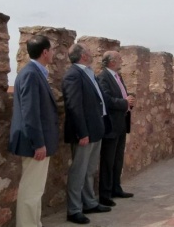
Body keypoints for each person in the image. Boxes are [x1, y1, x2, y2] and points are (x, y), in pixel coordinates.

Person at [8, 35, 59, 227]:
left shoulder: (35, 72)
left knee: (35, 190)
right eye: (52, 49)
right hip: (34, 143)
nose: (54, 53)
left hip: (37, 142)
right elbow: (30, 113)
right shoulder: (31, 74)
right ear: (45, 52)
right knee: (31, 191)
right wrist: (39, 143)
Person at [63, 44, 112, 225]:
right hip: (84, 133)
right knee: (79, 171)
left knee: (90, 169)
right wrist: (81, 132)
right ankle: (74, 209)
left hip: (95, 129)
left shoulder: (89, 73)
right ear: (83, 56)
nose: (92, 54)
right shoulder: (73, 75)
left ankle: (90, 202)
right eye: (89, 52)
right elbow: (74, 106)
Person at [97, 51, 135, 207]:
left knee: (118, 159)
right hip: (111, 125)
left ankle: (116, 188)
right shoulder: (103, 77)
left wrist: (129, 100)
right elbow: (106, 100)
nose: (122, 60)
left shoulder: (117, 76)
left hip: (121, 124)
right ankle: (105, 194)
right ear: (111, 61)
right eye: (119, 58)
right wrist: (125, 102)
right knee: (108, 160)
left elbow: (120, 95)